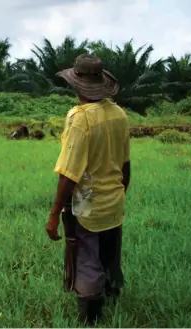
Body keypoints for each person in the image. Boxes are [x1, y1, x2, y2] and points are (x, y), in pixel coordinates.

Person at [45, 54, 131, 325]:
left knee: (85, 256)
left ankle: (90, 315)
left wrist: (54, 214)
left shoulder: (79, 119)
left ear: (77, 84)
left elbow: (69, 174)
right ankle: (112, 294)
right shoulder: (119, 114)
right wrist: (118, 193)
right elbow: (125, 165)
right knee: (109, 251)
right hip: (114, 199)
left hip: (86, 201)